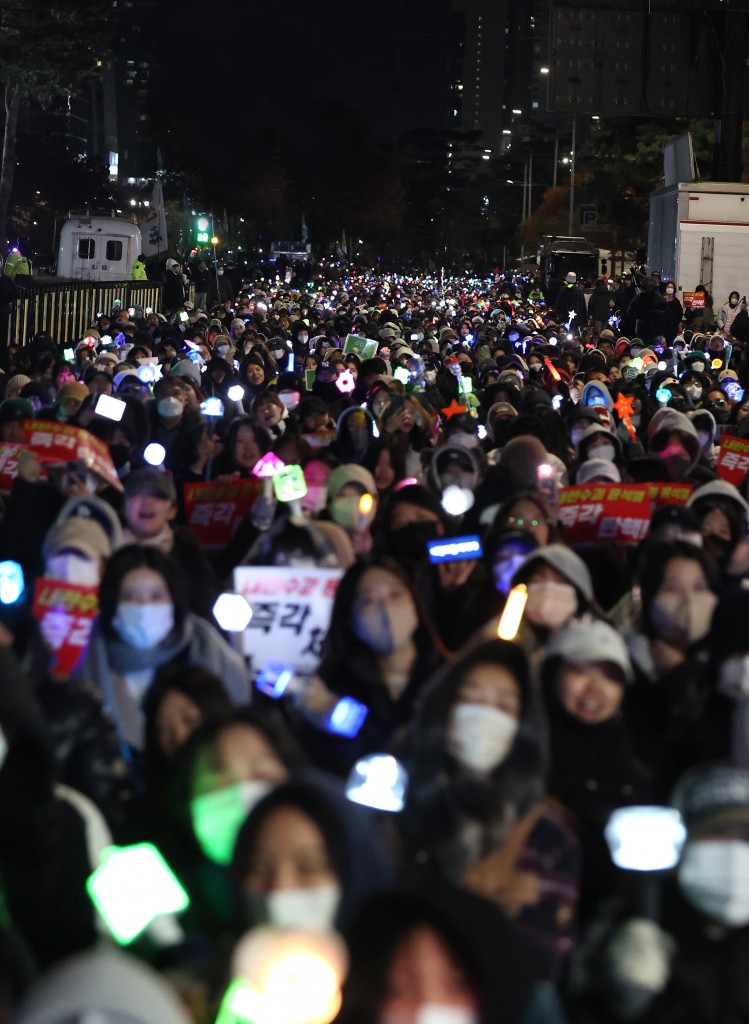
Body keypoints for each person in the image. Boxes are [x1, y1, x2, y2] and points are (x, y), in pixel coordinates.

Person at [397, 638, 580, 983]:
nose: (484, 714)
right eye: (469, 699)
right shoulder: (396, 802)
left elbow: (540, 967)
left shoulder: (548, 835)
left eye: (503, 706)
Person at [74, 545, 249, 769]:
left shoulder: (210, 652)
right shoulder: (89, 660)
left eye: (156, 595)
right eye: (129, 596)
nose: (143, 606)